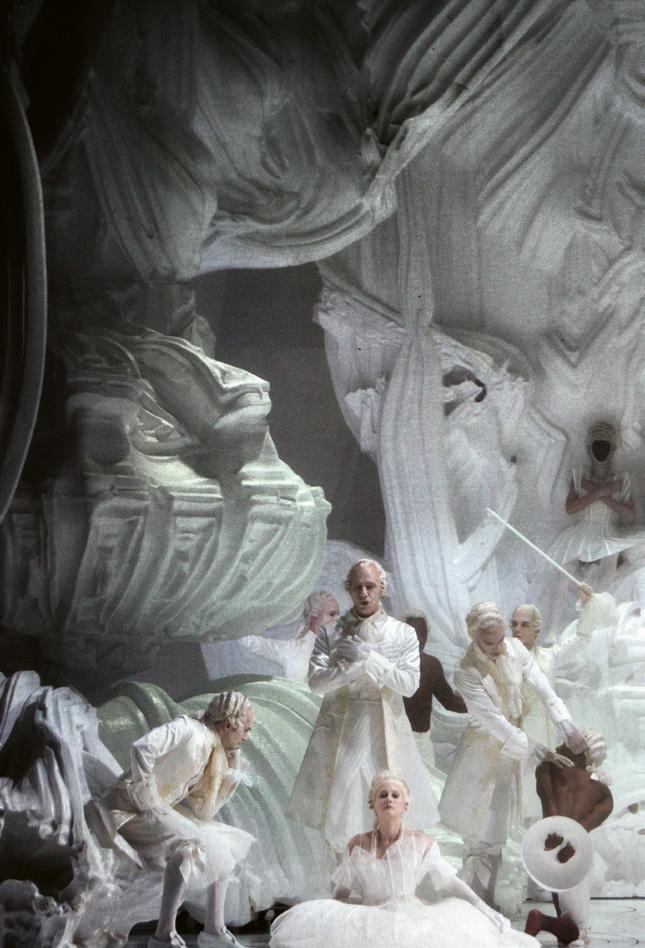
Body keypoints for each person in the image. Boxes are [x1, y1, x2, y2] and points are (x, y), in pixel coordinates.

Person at [271, 770, 539, 947]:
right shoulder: (358, 844)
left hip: (408, 914)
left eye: (395, 795)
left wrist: (484, 908)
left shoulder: (421, 843)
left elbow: (450, 883)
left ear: (405, 804)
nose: (389, 799)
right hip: (369, 914)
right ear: (373, 804)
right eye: (382, 795)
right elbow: (341, 894)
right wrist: (327, 921)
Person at [439, 601, 588, 906]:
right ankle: (476, 903)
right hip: (481, 753)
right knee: (478, 831)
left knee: (496, 830)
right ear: (474, 636)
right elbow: (495, 723)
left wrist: (567, 725)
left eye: (499, 640)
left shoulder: (514, 649)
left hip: (509, 755)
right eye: (488, 643)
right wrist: (537, 749)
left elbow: (544, 689)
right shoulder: (466, 670)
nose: (497, 648)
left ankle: (487, 902)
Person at [287, 559, 439, 852]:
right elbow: (316, 682)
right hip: (343, 729)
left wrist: (369, 658)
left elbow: (408, 684)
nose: (364, 593)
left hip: (386, 728)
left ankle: (383, 867)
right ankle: (344, 868)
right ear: (348, 589)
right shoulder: (331, 632)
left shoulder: (402, 633)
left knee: (389, 801)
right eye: (357, 587)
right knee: (341, 801)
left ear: (382, 588)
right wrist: (351, 668)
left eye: (370, 586)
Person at [100, 691, 256, 948]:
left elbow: (204, 812)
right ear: (230, 724)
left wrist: (232, 774)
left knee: (222, 842)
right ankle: (163, 935)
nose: (247, 736)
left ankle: (214, 930)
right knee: (188, 846)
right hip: (128, 807)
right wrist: (146, 795)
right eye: (246, 729)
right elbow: (142, 747)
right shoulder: (188, 728)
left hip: (156, 808)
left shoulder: (214, 751)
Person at [524, 730, 613, 945]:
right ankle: (543, 921)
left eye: (564, 745)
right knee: (578, 930)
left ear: (580, 752)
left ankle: (547, 922)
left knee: (566, 917)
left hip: (548, 849)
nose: (557, 748)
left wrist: (556, 836)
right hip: (575, 853)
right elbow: (582, 828)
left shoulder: (545, 771)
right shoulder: (602, 792)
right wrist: (567, 841)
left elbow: (550, 808)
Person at [401, 608, 467, 768]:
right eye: (412, 634)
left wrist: (481, 702)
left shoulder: (431, 665)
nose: (418, 640)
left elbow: (450, 702)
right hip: (395, 740)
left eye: (422, 634)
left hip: (421, 741)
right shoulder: (388, 664)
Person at [239, 592, 341, 680]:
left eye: (338, 614)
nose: (338, 619)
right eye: (332, 614)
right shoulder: (292, 649)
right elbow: (256, 644)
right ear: (314, 617)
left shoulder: (342, 646)